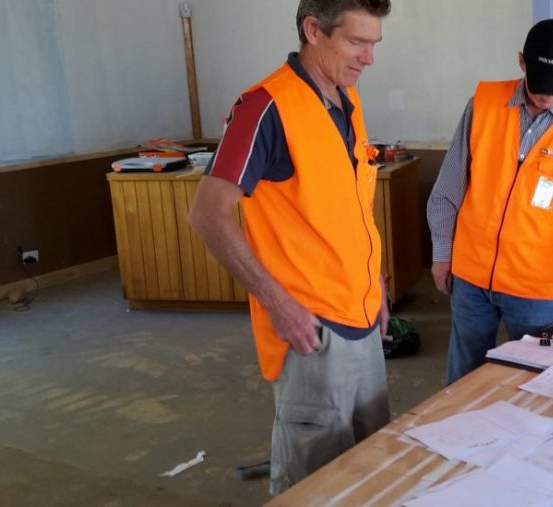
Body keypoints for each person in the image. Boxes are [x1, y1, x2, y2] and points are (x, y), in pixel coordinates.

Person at [187, 0, 391, 495]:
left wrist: (376, 284)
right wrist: (278, 303)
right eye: (356, 42)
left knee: (373, 466)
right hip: (312, 331)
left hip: (363, 319)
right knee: (314, 484)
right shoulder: (265, 107)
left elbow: (348, 209)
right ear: (313, 31)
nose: (369, 58)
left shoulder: (347, 99)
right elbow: (206, 213)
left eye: (374, 43)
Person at [427, 18, 553, 385]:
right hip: (469, 278)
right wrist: (442, 252)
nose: (547, 95)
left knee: (537, 387)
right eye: (539, 84)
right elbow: (448, 186)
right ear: (521, 62)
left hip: (534, 290)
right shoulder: (483, 104)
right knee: (463, 381)